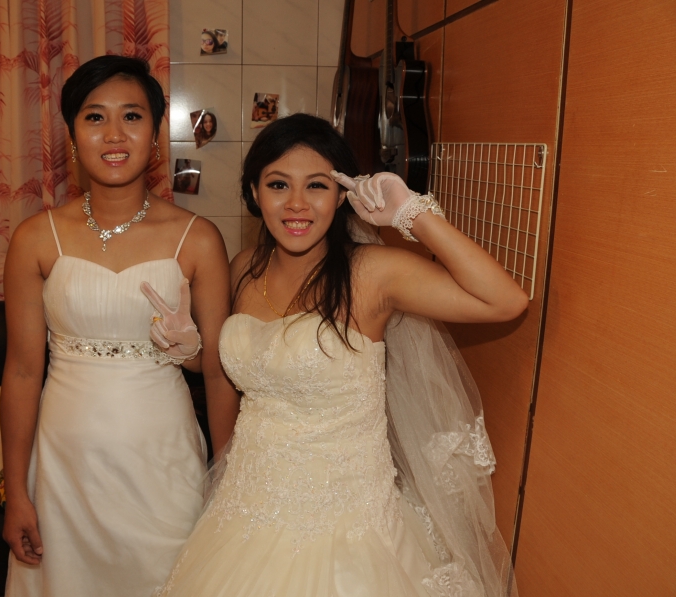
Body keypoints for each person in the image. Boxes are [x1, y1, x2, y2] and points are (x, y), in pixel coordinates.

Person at [155, 114, 528, 597]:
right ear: (253, 193)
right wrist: (191, 353)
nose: (296, 203)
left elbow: (505, 301)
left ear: (341, 195)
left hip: (348, 523)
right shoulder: (245, 267)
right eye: (278, 184)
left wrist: (411, 213)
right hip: (246, 504)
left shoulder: (372, 273)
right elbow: (242, 377)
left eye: (316, 185)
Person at [0, 55, 239, 596]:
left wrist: (226, 482)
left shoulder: (198, 239)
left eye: (131, 116)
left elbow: (219, 372)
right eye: (94, 117)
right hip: (64, 467)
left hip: (163, 458)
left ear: (155, 135)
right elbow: (21, 372)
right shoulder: (35, 238)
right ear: (71, 135)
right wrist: (17, 491)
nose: (113, 134)